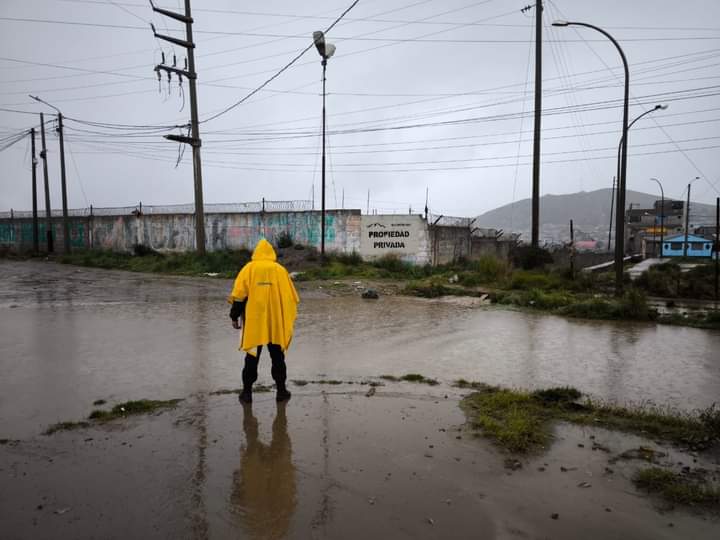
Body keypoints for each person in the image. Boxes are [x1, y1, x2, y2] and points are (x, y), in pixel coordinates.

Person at [228, 239, 299, 403]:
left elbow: (239, 296)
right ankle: (281, 392)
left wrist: (234, 316)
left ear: (256, 253)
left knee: (251, 358)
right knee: (278, 357)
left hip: (255, 322)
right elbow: (291, 298)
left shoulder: (249, 269)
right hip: (275, 323)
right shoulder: (280, 270)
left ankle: (247, 394)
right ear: (271, 253)